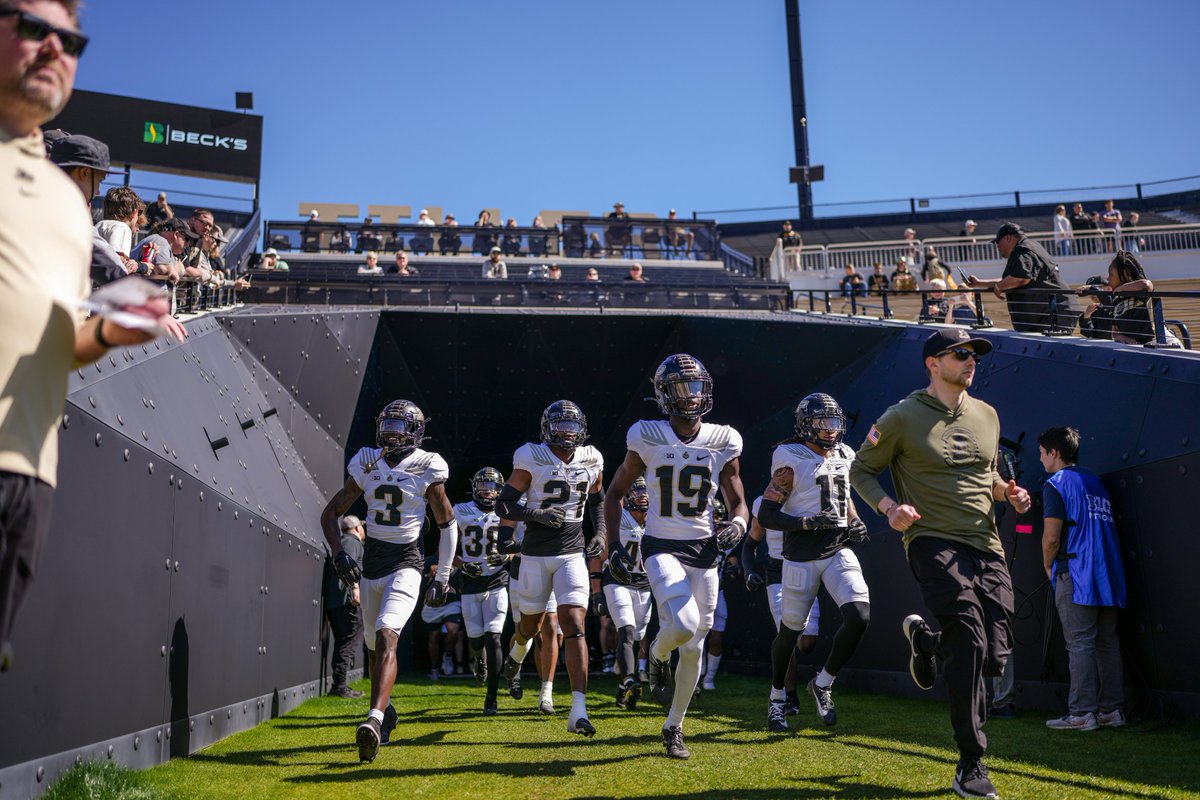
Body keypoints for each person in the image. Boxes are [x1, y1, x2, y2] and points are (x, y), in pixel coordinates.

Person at [0, 0, 184, 673]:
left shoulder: (58, 206)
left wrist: (112, 329)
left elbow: (62, 341)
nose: (54, 48)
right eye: (31, 28)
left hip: (26, 470)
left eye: (70, 39)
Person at [850, 328, 1032, 800]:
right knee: (970, 638)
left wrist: (1008, 493)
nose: (971, 361)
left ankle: (928, 644)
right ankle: (971, 763)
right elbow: (860, 469)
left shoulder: (987, 415)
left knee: (994, 656)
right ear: (933, 363)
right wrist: (890, 509)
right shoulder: (902, 417)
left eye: (974, 355)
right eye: (960, 354)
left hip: (985, 544)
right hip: (930, 539)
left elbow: (989, 475)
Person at [602, 354, 749, 760]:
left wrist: (736, 525)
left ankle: (674, 726)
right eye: (683, 388)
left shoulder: (724, 439)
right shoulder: (647, 434)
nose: (692, 396)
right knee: (682, 625)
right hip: (661, 544)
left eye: (698, 386)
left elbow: (739, 501)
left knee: (696, 645)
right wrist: (613, 545)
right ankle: (655, 653)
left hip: (705, 549)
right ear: (665, 394)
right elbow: (613, 494)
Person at [319, 400, 459, 763]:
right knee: (372, 644)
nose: (392, 431)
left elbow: (447, 522)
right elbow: (330, 514)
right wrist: (339, 553)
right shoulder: (367, 461)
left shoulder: (427, 465)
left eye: (400, 425)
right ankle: (387, 709)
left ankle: (374, 720)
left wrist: (442, 574)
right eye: (388, 424)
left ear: (415, 431)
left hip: (406, 563)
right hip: (372, 564)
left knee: (387, 635)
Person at [757, 394, 871, 732]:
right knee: (790, 633)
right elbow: (767, 513)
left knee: (859, 614)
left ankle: (823, 683)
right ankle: (777, 698)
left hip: (837, 547)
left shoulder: (846, 454)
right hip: (801, 554)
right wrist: (805, 523)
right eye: (823, 422)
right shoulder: (790, 456)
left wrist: (855, 520)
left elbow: (844, 496)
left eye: (835, 421)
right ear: (805, 424)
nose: (831, 429)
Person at [497, 400, 606, 737]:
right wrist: (535, 515)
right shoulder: (532, 456)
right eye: (560, 426)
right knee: (530, 628)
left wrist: (600, 531)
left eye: (572, 427)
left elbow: (599, 499)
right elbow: (504, 502)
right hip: (535, 553)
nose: (566, 433)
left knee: (574, 625)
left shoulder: (592, 458)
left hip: (571, 553)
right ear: (547, 429)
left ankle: (578, 710)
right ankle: (516, 654)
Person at [1038, 426, 1127, 731]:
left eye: (1042, 453)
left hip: (1076, 572)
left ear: (1054, 453)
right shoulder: (1097, 482)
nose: (1040, 459)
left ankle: (1081, 713)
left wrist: (1048, 565)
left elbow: (1051, 537)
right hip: (1109, 574)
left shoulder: (1056, 483)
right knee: (1106, 642)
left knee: (1079, 642)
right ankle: (1111, 710)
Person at [742, 496, 820, 716]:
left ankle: (809, 685)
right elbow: (750, 544)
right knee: (787, 635)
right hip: (777, 573)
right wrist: (749, 571)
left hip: (806, 568)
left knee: (807, 643)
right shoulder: (762, 503)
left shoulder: (808, 496)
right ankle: (789, 695)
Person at [453, 467, 510, 715]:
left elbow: (525, 543)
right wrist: (463, 565)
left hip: (497, 581)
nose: (488, 491)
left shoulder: (508, 510)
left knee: (494, 637)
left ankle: (492, 698)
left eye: (493, 487)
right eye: (484, 486)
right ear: (475, 487)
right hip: (470, 583)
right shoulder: (460, 510)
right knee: (476, 640)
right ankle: (479, 658)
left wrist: (507, 555)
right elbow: (447, 549)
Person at [600, 477, 654, 710]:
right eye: (637, 490)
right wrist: (595, 592)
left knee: (637, 636)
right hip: (617, 580)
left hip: (644, 584)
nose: (642, 495)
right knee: (627, 630)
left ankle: (624, 687)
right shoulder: (618, 517)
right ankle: (629, 680)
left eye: (645, 490)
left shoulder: (658, 520)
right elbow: (599, 557)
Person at [966, 222, 1078, 333]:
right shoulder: (1026, 248)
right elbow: (1012, 279)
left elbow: (1022, 278)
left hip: (1054, 314)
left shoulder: (1024, 249)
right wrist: (979, 283)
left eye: (997, 242)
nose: (997, 247)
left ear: (1008, 238)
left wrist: (999, 287)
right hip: (1051, 314)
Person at [324, 515, 365, 699]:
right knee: (348, 641)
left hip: (337, 601)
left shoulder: (341, 541)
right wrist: (355, 588)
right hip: (346, 601)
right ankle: (339, 686)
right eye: (362, 527)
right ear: (357, 528)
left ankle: (339, 685)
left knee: (344, 641)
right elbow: (350, 565)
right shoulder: (351, 542)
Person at [1078, 251, 1155, 345]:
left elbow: (1146, 285)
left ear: (1125, 273)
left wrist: (1122, 288)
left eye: (1111, 274)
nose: (1108, 279)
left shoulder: (1138, 294)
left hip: (1150, 342)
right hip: (1131, 346)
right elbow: (1101, 332)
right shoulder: (1116, 301)